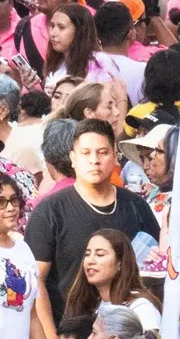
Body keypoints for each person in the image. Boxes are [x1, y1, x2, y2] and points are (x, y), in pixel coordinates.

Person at [24, 119, 159, 328]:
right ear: (73, 159)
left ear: (115, 157)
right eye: (86, 153)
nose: (94, 160)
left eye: (103, 152)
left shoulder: (136, 206)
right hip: (68, 329)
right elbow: (35, 281)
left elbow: (156, 267)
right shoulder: (50, 211)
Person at [63, 229, 162, 330]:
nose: (90, 260)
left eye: (100, 254)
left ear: (120, 263)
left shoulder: (141, 307)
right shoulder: (92, 307)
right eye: (87, 254)